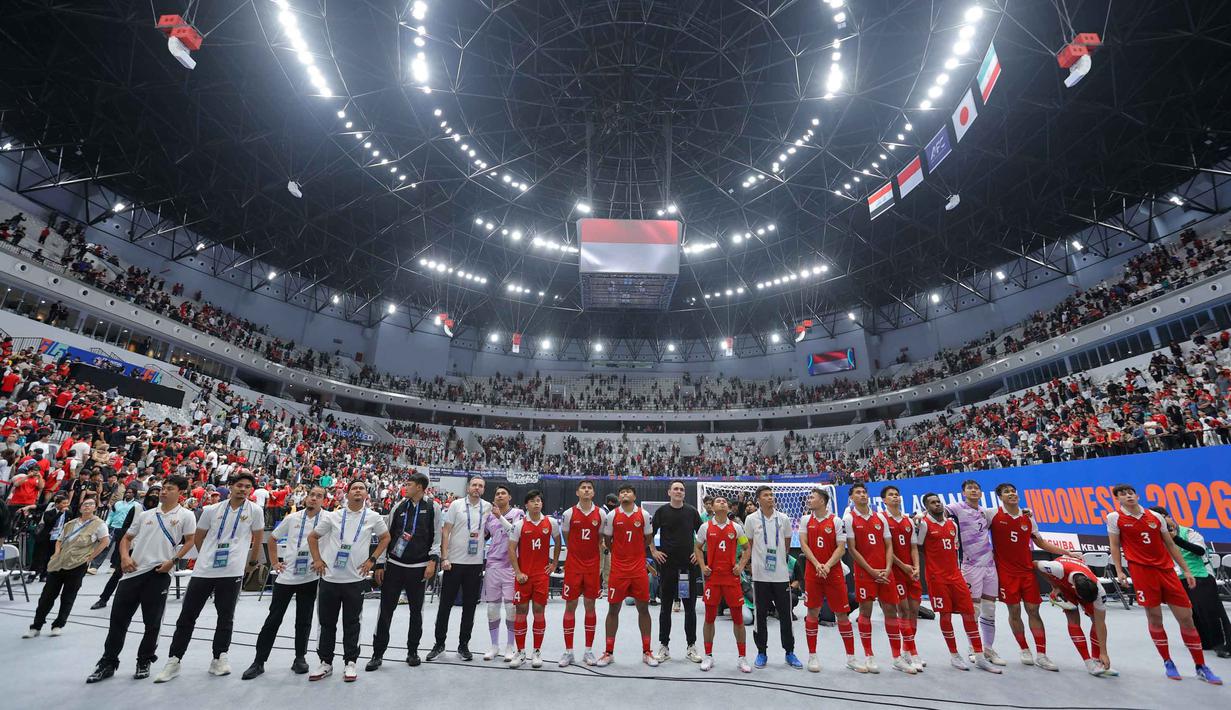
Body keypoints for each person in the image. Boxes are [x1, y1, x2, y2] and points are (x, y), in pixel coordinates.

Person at [154, 471, 265, 682]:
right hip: (204, 571)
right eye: (239, 485)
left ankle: (219, 657)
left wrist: (251, 563)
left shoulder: (255, 511)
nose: (243, 489)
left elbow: (257, 539)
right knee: (187, 616)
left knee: (225, 617)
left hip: (232, 571)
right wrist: (207, 556)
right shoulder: (211, 510)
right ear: (231, 486)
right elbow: (198, 538)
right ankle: (174, 660)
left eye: (247, 487)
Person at [1107, 483, 1221, 684]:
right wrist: (1119, 570)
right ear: (1118, 499)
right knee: (1155, 618)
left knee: (1186, 618)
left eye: (1131, 493)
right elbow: (1115, 546)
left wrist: (1186, 570)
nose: (1128, 496)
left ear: (1137, 496)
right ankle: (1168, 662)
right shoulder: (1114, 518)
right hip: (1142, 572)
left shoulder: (1155, 517)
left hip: (1167, 571)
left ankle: (1201, 666)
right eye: (1123, 494)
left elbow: (1170, 544)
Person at [87, 476, 196, 683]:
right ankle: (108, 662)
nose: (163, 492)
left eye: (169, 488)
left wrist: (172, 562)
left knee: (152, 623)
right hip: (133, 572)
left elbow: (190, 541)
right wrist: (125, 557)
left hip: (159, 573)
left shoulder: (186, 515)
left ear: (180, 492)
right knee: (118, 621)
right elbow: (126, 538)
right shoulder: (145, 514)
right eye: (163, 488)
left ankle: (144, 660)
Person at [987, 483, 1077, 671]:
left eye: (1013, 491)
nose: (1011, 493)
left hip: (1026, 572)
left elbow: (1041, 543)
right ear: (1000, 497)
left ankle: (1042, 655)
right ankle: (1024, 649)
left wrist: (1067, 552)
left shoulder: (1028, 517)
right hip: (1005, 573)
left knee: (1033, 610)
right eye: (1006, 492)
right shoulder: (991, 514)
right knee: (1014, 611)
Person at [308, 479, 391, 682]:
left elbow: (385, 537)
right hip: (330, 578)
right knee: (326, 623)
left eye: (362, 488)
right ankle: (325, 662)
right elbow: (312, 537)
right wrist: (317, 560)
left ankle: (350, 662)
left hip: (355, 579)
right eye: (354, 488)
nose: (358, 491)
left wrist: (372, 560)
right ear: (347, 494)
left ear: (366, 494)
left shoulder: (373, 517)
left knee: (352, 623)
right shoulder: (334, 516)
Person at [242, 485, 327, 680]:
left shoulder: (328, 519)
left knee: (304, 620)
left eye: (319, 496)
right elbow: (272, 539)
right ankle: (259, 661)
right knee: (273, 619)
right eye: (311, 495)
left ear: (324, 500)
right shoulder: (292, 518)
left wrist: (322, 560)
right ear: (306, 497)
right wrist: (274, 563)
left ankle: (299, 658)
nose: (314, 498)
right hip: (286, 576)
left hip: (310, 577)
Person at [915, 493, 1000, 673]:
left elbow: (954, 549)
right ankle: (954, 655)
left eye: (938, 501)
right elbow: (919, 547)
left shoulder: (952, 524)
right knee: (945, 615)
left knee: (969, 612)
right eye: (932, 503)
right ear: (926, 507)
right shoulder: (924, 524)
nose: (937, 504)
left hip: (956, 576)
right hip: (937, 578)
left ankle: (979, 656)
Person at [367, 472, 439, 671]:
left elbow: (436, 538)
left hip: (419, 568)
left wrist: (433, 561)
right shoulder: (398, 507)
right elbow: (387, 536)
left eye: (409, 484)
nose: (405, 487)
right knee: (385, 611)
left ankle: (412, 651)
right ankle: (377, 654)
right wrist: (380, 564)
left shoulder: (433, 507)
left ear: (419, 487)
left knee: (416, 612)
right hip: (395, 567)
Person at [844, 482, 909, 674]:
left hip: (885, 572)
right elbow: (852, 549)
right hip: (865, 573)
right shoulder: (849, 518)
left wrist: (888, 568)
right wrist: (871, 571)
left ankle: (897, 658)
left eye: (864, 492)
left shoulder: (880, 517)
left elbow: (889, 545)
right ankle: (869, 656)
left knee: (891, 611)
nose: (862, 495)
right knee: (865, 613)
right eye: (858, 492)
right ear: (851, 498)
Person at [23, 495, 109, 638]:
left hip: (78, 564)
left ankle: (58, 625)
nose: (87, 506)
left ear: (95, 507)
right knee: (46, 596)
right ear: (80, 508)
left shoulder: (99, 524)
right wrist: (57, 553)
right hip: (60, 563)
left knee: (68, 596)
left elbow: (105, 542)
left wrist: (90, 557)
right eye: (85, 504)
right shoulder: (70, 523)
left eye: (90, 504)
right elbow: (59, 540)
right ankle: (36, 626)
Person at [798, 488, 864, 673]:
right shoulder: (805, 520)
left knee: (842, 614)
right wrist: (817, 564)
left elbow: (841, 548)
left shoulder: (836, 521)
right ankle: (812, 656)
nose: (809, 499)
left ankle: (851, 658)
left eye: (812, 497)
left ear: (822, 501)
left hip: (833, 574)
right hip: (813, 573)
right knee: (812, 612)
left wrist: (827, 565)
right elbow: (804, 544)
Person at [429, 475, 491, 662]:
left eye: (480, 486)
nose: (477, 488)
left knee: (470, 608)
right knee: (445, 606)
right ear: (468, 487)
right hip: (453, 563)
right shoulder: (456, 505)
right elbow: (446, 531)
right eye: (474, 485)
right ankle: (439, 644)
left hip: (475, 564)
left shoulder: (487, 507)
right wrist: (444, 557)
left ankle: (463, 645)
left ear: (483, 489)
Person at [1156, 507, 1231, 658]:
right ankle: (1206, 640)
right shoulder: (1159, 537)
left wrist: (1176, 538)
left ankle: (1226, 643)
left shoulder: (1189, 532)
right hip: (1178, 577)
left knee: (1212, 610)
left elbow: (1200, 551)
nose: (1163, 522)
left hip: (1201, 575)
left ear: (1169, 517)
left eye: (1164, 518)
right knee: (1193, 611)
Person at [597, 484, 658, 667]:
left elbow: (648, 538)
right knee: (613, 609)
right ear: (619, 497)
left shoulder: (644, 515)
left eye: (628, 492)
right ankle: (608, 652)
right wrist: (620, 552)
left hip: (638, 569)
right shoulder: (612, 515)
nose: (625, 494)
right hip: (619, 569)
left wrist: (635, 552)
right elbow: (608, 540)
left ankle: (647, 651)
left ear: (634, 496)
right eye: (622, 492)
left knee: (643, 609)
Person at [946, 480, 1005, 666]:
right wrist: (919, 516)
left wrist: (1026, 512)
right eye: (969, 488)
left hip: (989, 565)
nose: (974, 491)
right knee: (973, 609)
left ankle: (988, 648)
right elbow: (937, 512)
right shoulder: (957, 508)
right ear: (963, 493)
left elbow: (1008, 512)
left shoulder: (985, 512)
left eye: (977, 488)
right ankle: (974, 648)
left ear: (981, 493)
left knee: (990, 609)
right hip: (970, 566)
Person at [744, 485, 802, 669]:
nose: (770, 497)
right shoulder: (751, 519)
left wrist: (779, 560)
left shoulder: (783, 518)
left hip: (781, 576)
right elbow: (749, 545)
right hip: (760, 575)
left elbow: (786, 544)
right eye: (766, 495)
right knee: (760, 615)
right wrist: (751, 565)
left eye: (771, 495)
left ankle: (789, 652)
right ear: (758, 499)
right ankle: (761, 652)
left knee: (785, 615)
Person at [1033, 556, 1118, 676]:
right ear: (1075, 588)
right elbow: (1035, 563)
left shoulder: (1099, 590)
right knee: (1073, 619)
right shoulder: (1057, 568)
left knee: (1095, 619)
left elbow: (1100, 622)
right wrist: (1055, 586)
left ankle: (1097, 660)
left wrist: (1104, 653)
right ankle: (1089, 663)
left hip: (1079, 583)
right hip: (1064, 583)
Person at [694, 495, 751, 673]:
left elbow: (746, 548)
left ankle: (742, 657)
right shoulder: (705, 527)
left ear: (728, 507)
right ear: (712, 507)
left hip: (731, 579)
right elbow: (697, 548)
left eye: (724, 502)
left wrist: (741, 566)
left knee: (738, 619)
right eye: (718, 501)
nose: (722, 503)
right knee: (709, 618)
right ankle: (708, 655)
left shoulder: (736, 527)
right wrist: (702, 566)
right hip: (713, 579)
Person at [649, 479, 703, 663]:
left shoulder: (691, 512)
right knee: (665, 608)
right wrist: (654, 551)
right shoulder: (662, 512)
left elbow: (703, 534)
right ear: (669, 492)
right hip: (667, 567)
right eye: (676, 489)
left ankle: (691, 646)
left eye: (681, 489)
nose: (679, 491)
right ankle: (664, 646)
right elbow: (649, 534)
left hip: (687, 568)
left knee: (689, 608)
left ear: (684, 493)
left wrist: (698, 553)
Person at [507, 489, 561, 668]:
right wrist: (517, 572)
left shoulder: (551, 522)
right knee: (521, 612)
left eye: (539, 500)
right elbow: (511, 549)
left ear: (542, 503)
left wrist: (554, 564)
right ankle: (520, 652)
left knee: (539, 612)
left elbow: (558, 542)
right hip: (523, 576)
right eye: (532, 501)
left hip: (541, 577)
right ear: (526, 505)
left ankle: (537, 651)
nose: (536, 503)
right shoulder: (519, 525)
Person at [91, 486, 159, 610]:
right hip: (132, 546)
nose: (154, 495)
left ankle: (136, 602)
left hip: (149, 548)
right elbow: (125, 527)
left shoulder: (161, 511)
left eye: (157, 493)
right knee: (118, 573)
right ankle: (103, 599)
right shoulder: (137, 508)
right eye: (152, 492)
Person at [559, 479, 603, 667]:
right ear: (577, 492)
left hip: (592, 566)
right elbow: (567, 537)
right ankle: (568, 651)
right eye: (583, 488)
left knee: (590, 606)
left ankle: (588, 650)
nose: (586, 490)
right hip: (574, 566)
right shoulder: (569, 514)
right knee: (570, 606)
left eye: (589, 488)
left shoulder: (601, 513)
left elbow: (600, 538)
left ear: (593, 493)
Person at [883, 485, 923, 671]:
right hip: (896, 572)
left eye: (897, 494)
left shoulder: (908, 520)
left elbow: (914, 547)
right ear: (884, 500)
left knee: (913, 611)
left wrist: (916, 567)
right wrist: (903, 566)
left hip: (910, 572)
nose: (895, 497)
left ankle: (907, 649)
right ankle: (912, 653)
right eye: (891, 495)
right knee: (903, 610)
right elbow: (886, 549)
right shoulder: (882, 519)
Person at [482, 484, 523, 661]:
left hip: (511, 566)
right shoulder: (489, 516)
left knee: (511, 608)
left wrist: (500, 517)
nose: (500, 496)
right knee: (492, 608)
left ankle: (510, 646)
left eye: (503, 493)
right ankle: (494, 645)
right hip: (493, 565)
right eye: (497, 493)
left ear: (509, 497)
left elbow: (515, 532)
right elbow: (482, 535)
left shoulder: (518, 513)